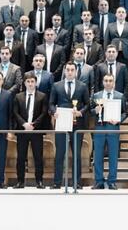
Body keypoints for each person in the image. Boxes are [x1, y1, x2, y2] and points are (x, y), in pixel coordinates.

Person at [49, 61, 90, 189]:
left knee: (76, 154)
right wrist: (54, 112)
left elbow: (87, 104)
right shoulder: (56, 85)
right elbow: (51, 103)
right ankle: (57, 182)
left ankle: (76, 182)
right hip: (61, 123)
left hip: (77, 124)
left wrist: (80, 112)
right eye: (68, 70)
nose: (70, 72)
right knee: (60, 153)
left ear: (76, 71)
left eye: (72, 70)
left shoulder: (83, 86)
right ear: (64, 71)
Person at [91, 73, 128, 190]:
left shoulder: (120, 96)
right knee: (98, 156)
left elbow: (125, 113)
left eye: (110, 81)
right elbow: (90, 111)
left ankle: (112, 181)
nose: (108, 83)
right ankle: (99, 181)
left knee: (113, 155)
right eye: (106, 80)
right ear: (103, 82)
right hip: (99, 127)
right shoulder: (96, 96)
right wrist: (95, 111)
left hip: (113, 127)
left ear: (114, 83)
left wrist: (118, 119)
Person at [13, 73, 48, 189]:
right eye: (28, 81)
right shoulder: (18, 97)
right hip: (22, 131)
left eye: (32, 81)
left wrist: (34, 124)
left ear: (36, 83)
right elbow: (15, 113)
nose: (30, 84)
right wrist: (24, 124)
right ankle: (20, 181)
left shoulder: (42, 96)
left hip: (36, 131)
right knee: (21, 157)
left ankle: (39, 181)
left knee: (38, 157)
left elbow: (44, 113)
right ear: (24, 83)